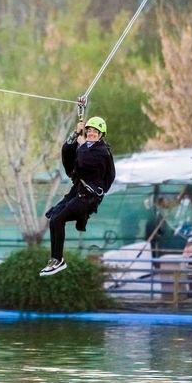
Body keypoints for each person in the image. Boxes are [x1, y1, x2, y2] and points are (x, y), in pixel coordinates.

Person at [40, 116, 115, 276]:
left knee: (59, 219)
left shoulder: (101, 152)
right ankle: (55, 259)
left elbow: (86, 161)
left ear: (101, 135)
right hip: (78, 192)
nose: (91, 134)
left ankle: (59, 260)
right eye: (90, 131)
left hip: (89, 198)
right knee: (54, 218)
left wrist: (81, 144)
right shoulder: (85, 146)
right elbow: (67, 152)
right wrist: (75, 134)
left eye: (95, 132)